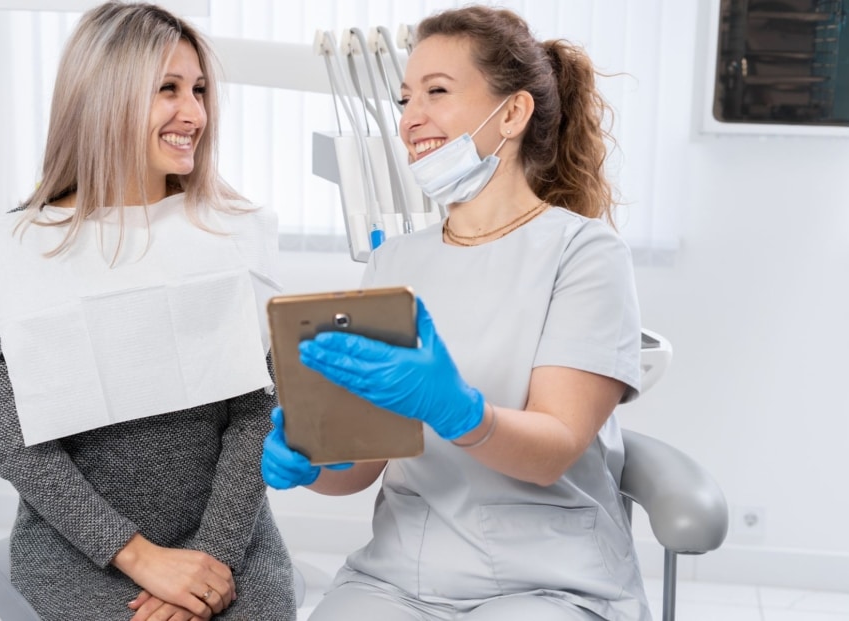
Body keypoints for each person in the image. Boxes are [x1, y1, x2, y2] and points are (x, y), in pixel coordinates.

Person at [261, 5, 650, 621]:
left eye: (437, 93)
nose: (412, 119)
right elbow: (363, 467)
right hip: (398, 577)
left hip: (548, 580)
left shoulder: (584, 253)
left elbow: (553, 450)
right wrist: (313, 462)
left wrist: (456, 409)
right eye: (404, 99)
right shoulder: (395, 264)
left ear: (514, 113)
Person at [0, 3, 294, 620]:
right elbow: (16, 445)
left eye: (198, 90)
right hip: (81, 548)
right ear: (105, 98)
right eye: (167, 90)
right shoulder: (19, 250)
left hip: (226, 538)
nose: (194, 114)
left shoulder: (231, 237)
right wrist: (141, 558)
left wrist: (209, 558)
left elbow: (255, 415)